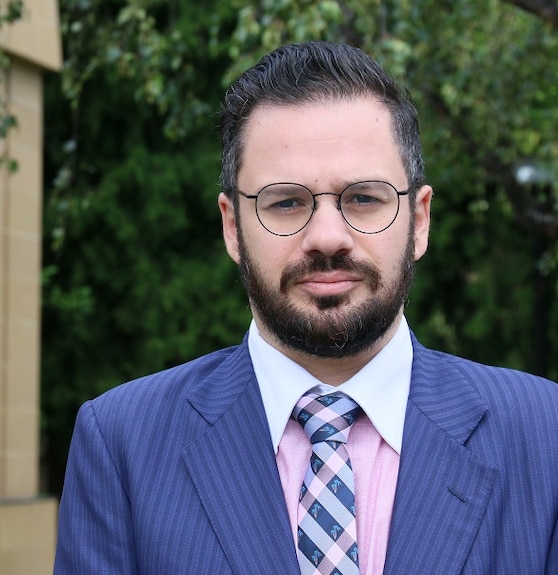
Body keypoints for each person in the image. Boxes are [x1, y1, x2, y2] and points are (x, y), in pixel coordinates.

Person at [53, 41, 558, 575]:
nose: (326, 238)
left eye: (364, 197)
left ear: (420, 219)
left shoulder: (544, 435)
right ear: (232, 226)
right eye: (286, 202)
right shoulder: (122, 445)